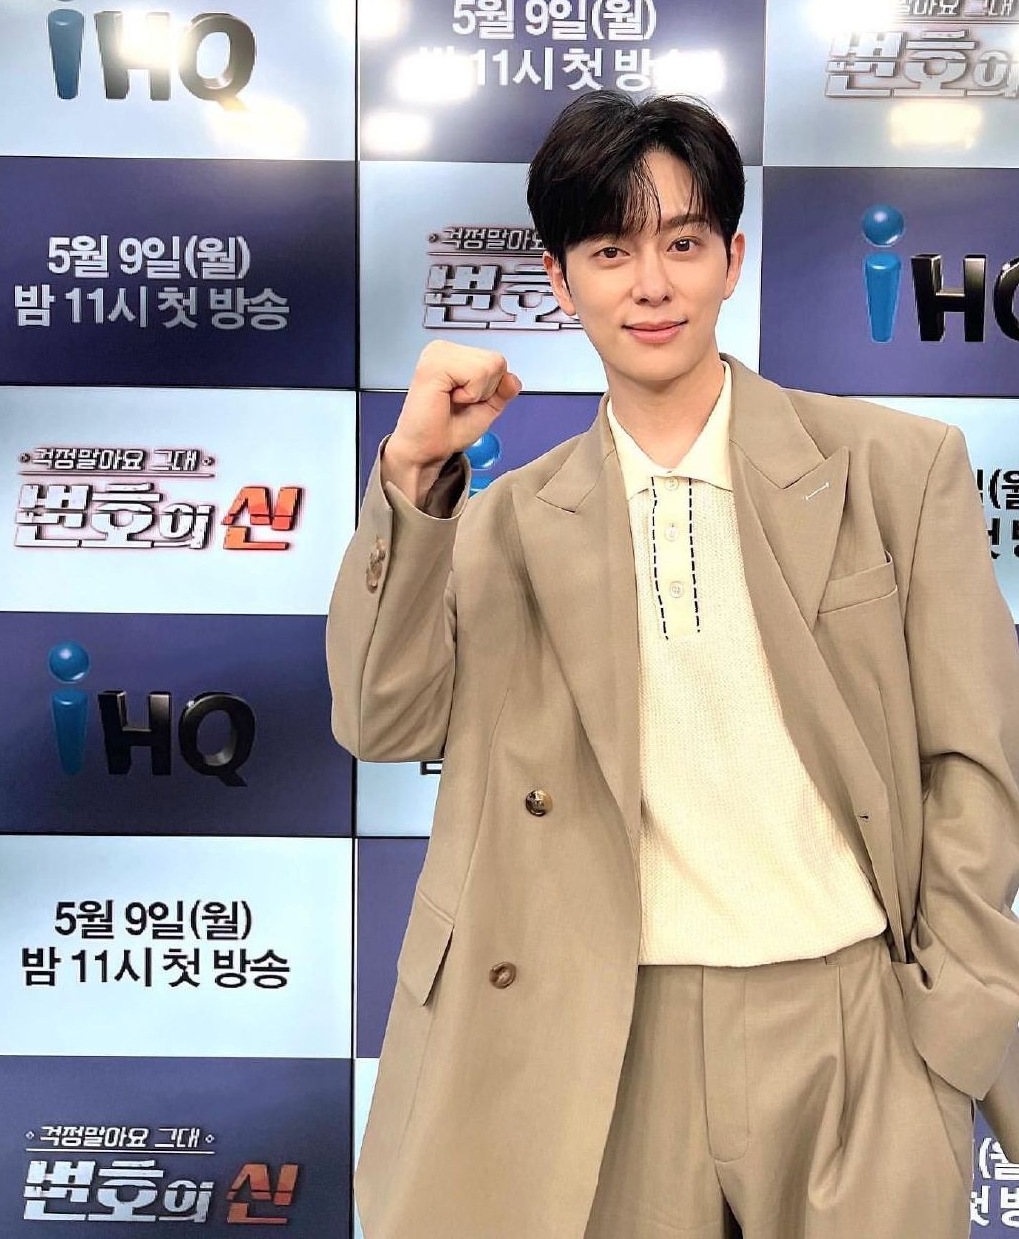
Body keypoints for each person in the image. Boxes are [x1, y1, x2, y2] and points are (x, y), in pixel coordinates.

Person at [327, 90, 1019, 1238]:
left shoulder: (896, 468)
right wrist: (412, 479)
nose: (651, 285)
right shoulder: (504, 526)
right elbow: (379, 716)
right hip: (607, 1037)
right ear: (559, 282)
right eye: (610, 251)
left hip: (855, 1022)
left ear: (732, 261)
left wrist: (951, 1017)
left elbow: (976, 760)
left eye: (683, 244)